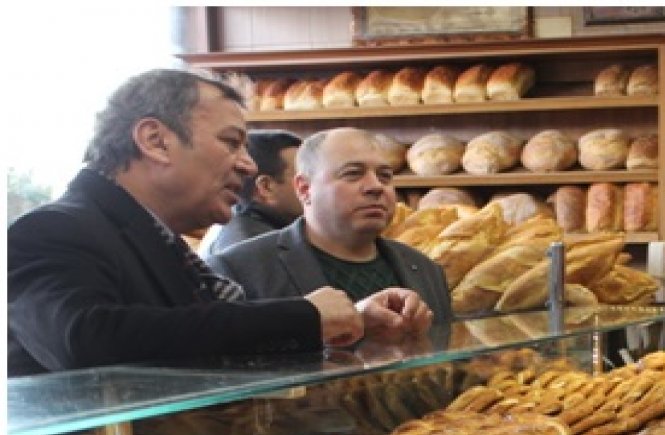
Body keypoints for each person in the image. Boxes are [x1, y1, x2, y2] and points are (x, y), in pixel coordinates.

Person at [7, 69, 412, 376]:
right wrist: (303, 316)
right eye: (231, 142)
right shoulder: (49, 232)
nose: (248, 163)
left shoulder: (162, 242)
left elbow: (201, 340)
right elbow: (85, 337)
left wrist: (356, 322)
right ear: (154, 141)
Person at [207, 127, 452, 338]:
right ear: (304, 189)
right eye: (353, 174)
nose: (376, 186)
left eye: (385, 176)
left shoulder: (426, 270)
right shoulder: (239, 270)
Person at [199, 129, 304, 258]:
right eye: (305, 177)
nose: (314, 186)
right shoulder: (252, 250)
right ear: (266, 187)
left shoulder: (236, 221)